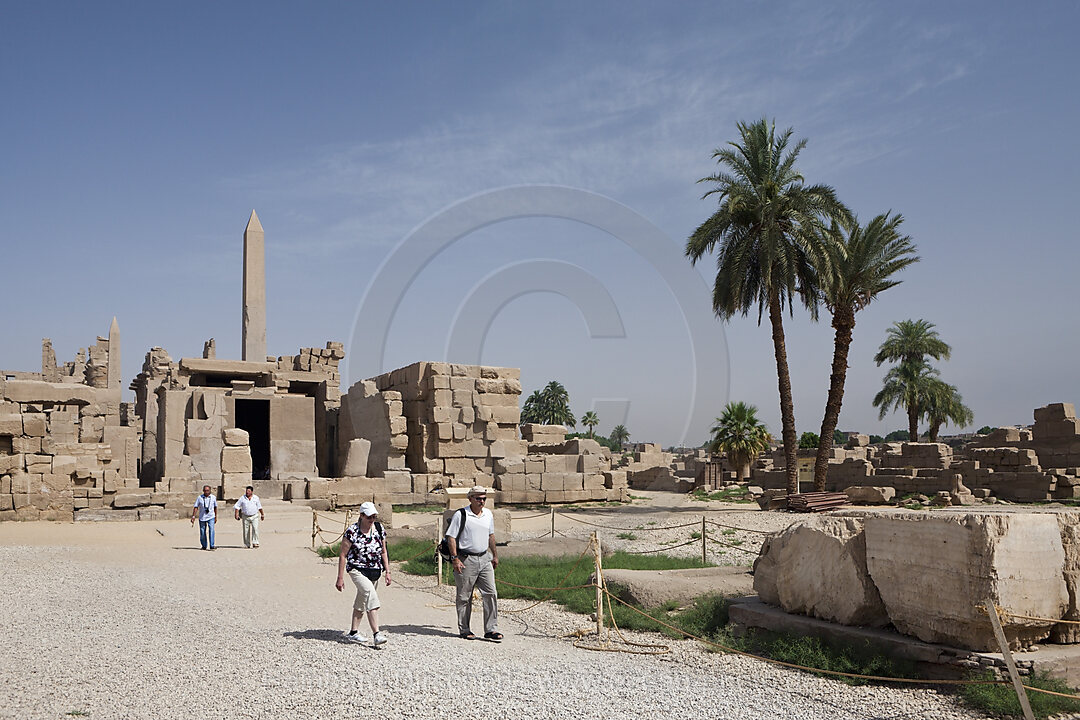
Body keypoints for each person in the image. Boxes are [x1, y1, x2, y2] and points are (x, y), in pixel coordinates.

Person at [446, 486, 502, 641]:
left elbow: (491, 535)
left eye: (484, 498)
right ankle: (464, 629)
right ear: (470, 498)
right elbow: (451, 537)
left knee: (491, 593)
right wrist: (454, 558)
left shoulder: (488, 514)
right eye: (478, 498)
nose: (481, 501)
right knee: (464, 596)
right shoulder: (461, 514)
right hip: (466, 559)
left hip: (484, 558)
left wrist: (495, 555)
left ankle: (491, 629)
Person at [335, 501, 391, 648]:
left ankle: (353, 632)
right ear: (361, 516)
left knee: (362, 599)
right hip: (357, 568)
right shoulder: (352, 531)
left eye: (374, 516)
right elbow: (343, 555)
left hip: (374, 570)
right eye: (369, 517)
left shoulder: (379, 529)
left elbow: (384, 551)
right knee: (370, 595)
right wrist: (340, 578)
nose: (372, 519)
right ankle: (377, 634)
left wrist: (388, 572)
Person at [190, 485, 218, 550]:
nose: (206, 492)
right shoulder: (200, 498)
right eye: (205, 490)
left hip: (211, 516)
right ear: (203, 491)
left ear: (210, 491)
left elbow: (215, 507)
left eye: (207, 490)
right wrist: (193, 516)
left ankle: (212, 545)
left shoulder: (213, 497)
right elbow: (196, 507)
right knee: (202, 532)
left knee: (211, 530)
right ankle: (204, 545)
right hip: (202, 517)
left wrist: (216, 516)